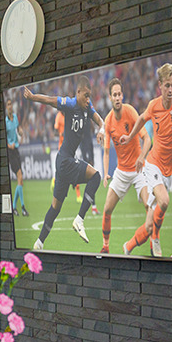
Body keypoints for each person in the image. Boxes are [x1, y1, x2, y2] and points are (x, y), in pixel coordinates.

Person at [119, 63, 172, 257]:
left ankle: (128, 246)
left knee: (148, 226)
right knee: (164, 201)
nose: (171, 89)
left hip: (167, 172)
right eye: (167, 85)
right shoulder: (153, 105)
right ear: (160, 86)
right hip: (152, 164)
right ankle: (156, 238)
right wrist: (130, 137)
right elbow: (141, 119)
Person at [23, 77, 104, 250]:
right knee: (96, 177)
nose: (88, 100)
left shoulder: (87, 107)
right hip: (65, 160)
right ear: (78, 92)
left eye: (90, 96)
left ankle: (39, 243)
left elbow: (99, 119)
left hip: (62, 162)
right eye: (86, 96)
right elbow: (50, 100)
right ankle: (79, 219)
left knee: (55, 208)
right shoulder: (70, 104)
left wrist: (102, 129)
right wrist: (33, 97)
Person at [100, 77, 151, 253]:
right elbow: (106, 152)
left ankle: (140, 246)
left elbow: (147, 139)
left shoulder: (131, 112)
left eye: (119, 94)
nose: (117, 97)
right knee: (107, 209)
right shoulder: (108, 121)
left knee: (149, 207)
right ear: (110, 97)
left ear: (122, 95)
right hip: (121, 172)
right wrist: (106, 173)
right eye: (114, 95)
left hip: (139, 170)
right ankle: (105, 247)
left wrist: (142, 157)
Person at [5, 98, 29, 217]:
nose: (10, 106)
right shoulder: (5, 122)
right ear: (6, 107)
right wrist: (9, 145)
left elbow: (18, 128)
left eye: (11, 104)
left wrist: (20, 132)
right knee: (19, 175)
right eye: (8, 104)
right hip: (10, 151)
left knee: (21, 180)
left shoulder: (14, 118)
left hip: (16, 150)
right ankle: (23, 207)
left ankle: (14, 207)